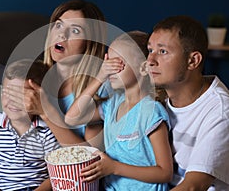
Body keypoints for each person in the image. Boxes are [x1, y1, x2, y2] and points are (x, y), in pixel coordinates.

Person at [65, 31, 173, 190]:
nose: (110, 69)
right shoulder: (112, 104)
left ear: (143, 68)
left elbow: (165, 173)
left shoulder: (150, 112)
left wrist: (114, 167)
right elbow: (72, 118)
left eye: (117, 63)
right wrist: (100, 77)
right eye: (108, 62)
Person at [2, 0, 110, 149]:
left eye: (75, 30)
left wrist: (47, 113)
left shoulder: (100, 89)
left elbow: (91, 159)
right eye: (58, 25)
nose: (62, 34)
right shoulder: (34, 77)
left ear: (90, 43)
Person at [147, 15, 229, 190]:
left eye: (162, 52)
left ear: (193, 61)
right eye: (150, 50)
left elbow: (194, 186)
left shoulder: (221, 111)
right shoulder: (155, 100)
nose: (150, 61)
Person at [0, 59, 60, 191]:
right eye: (8, 92)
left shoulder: (46, 131)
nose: (13, 101)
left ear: (38, 98)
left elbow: (56, 172)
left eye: (21, 95)